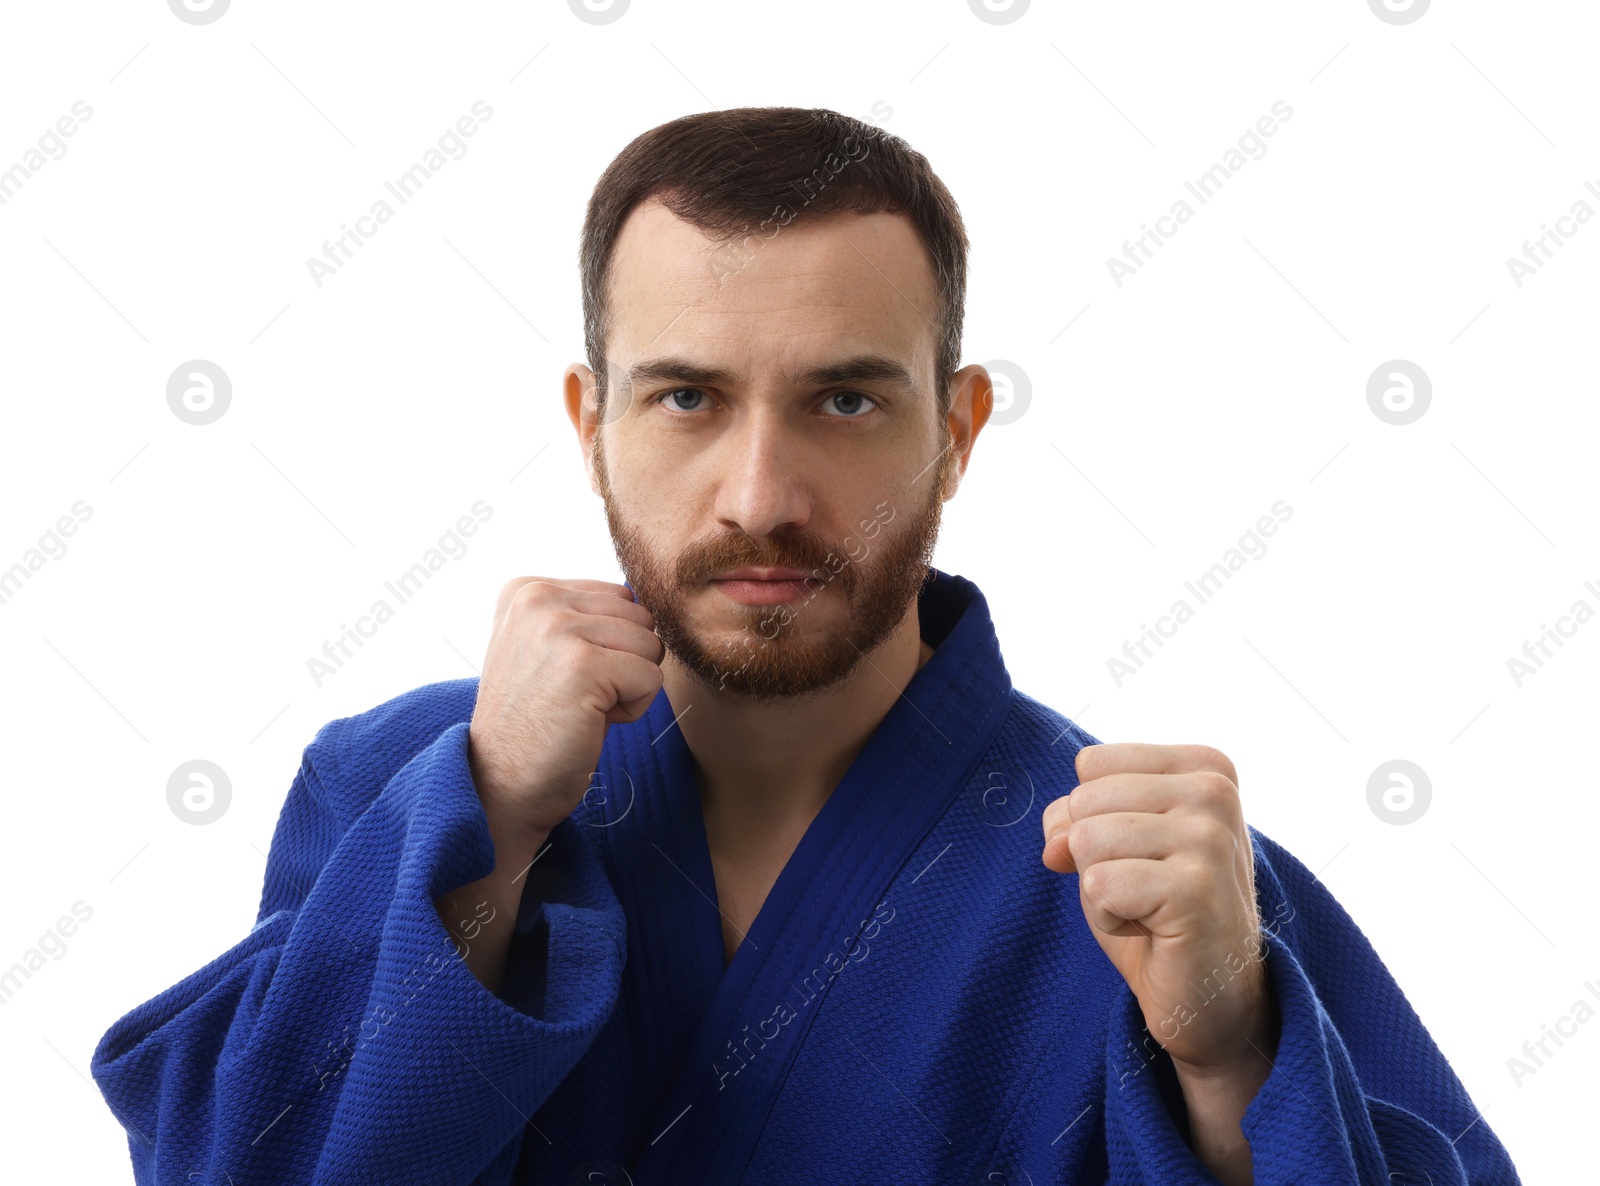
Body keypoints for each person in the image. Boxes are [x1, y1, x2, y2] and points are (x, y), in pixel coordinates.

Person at [91, 107, 1519, 1186]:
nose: (762, 493)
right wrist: (488, 835)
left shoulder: (1160, 880)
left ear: (955, 431)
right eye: (689, 398)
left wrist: (1227, 1061)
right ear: (592, 422)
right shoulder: (408, 788)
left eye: (843, 401)